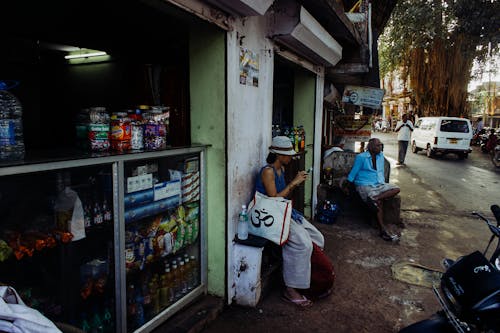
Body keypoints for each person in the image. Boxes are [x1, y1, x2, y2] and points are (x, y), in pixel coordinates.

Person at [255, 136, 326, 307]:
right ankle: (291, 289)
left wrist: (294, 182)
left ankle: (308, 276)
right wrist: (294, 183)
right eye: (289, 155)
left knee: (317, 238)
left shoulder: (281, 170)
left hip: (284, 211)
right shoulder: (268, 171)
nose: (292, 157)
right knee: (302, 243)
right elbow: (273, 200)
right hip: (270, 214)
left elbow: (284, 196)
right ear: (279, 155)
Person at [344, 138, 401, 242]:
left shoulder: (380, 156)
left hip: (378, 184)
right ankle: (383, 229)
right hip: (364, 184)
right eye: (378, 145)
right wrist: (347, 186)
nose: (380, 147)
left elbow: (380, 172)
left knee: (396, 189)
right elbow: (353, 172)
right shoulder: (361, 157)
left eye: (380, 145)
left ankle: (375, 198)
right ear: (371, 147)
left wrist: (382, 186)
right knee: (379, 203)